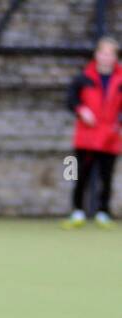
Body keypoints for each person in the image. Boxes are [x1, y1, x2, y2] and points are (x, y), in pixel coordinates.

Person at [64, 36, 120, 228]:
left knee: (107, 176)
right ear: (97, 55)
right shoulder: (83, 77)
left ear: (115, 57)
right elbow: (70, 100)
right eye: (103, 53)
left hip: (111, 137)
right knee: (75, 174)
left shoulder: (121, 79)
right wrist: (81, 110)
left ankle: (103, 212)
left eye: (110, 54)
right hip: (85, 136)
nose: (106, 57)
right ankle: (77, 211)